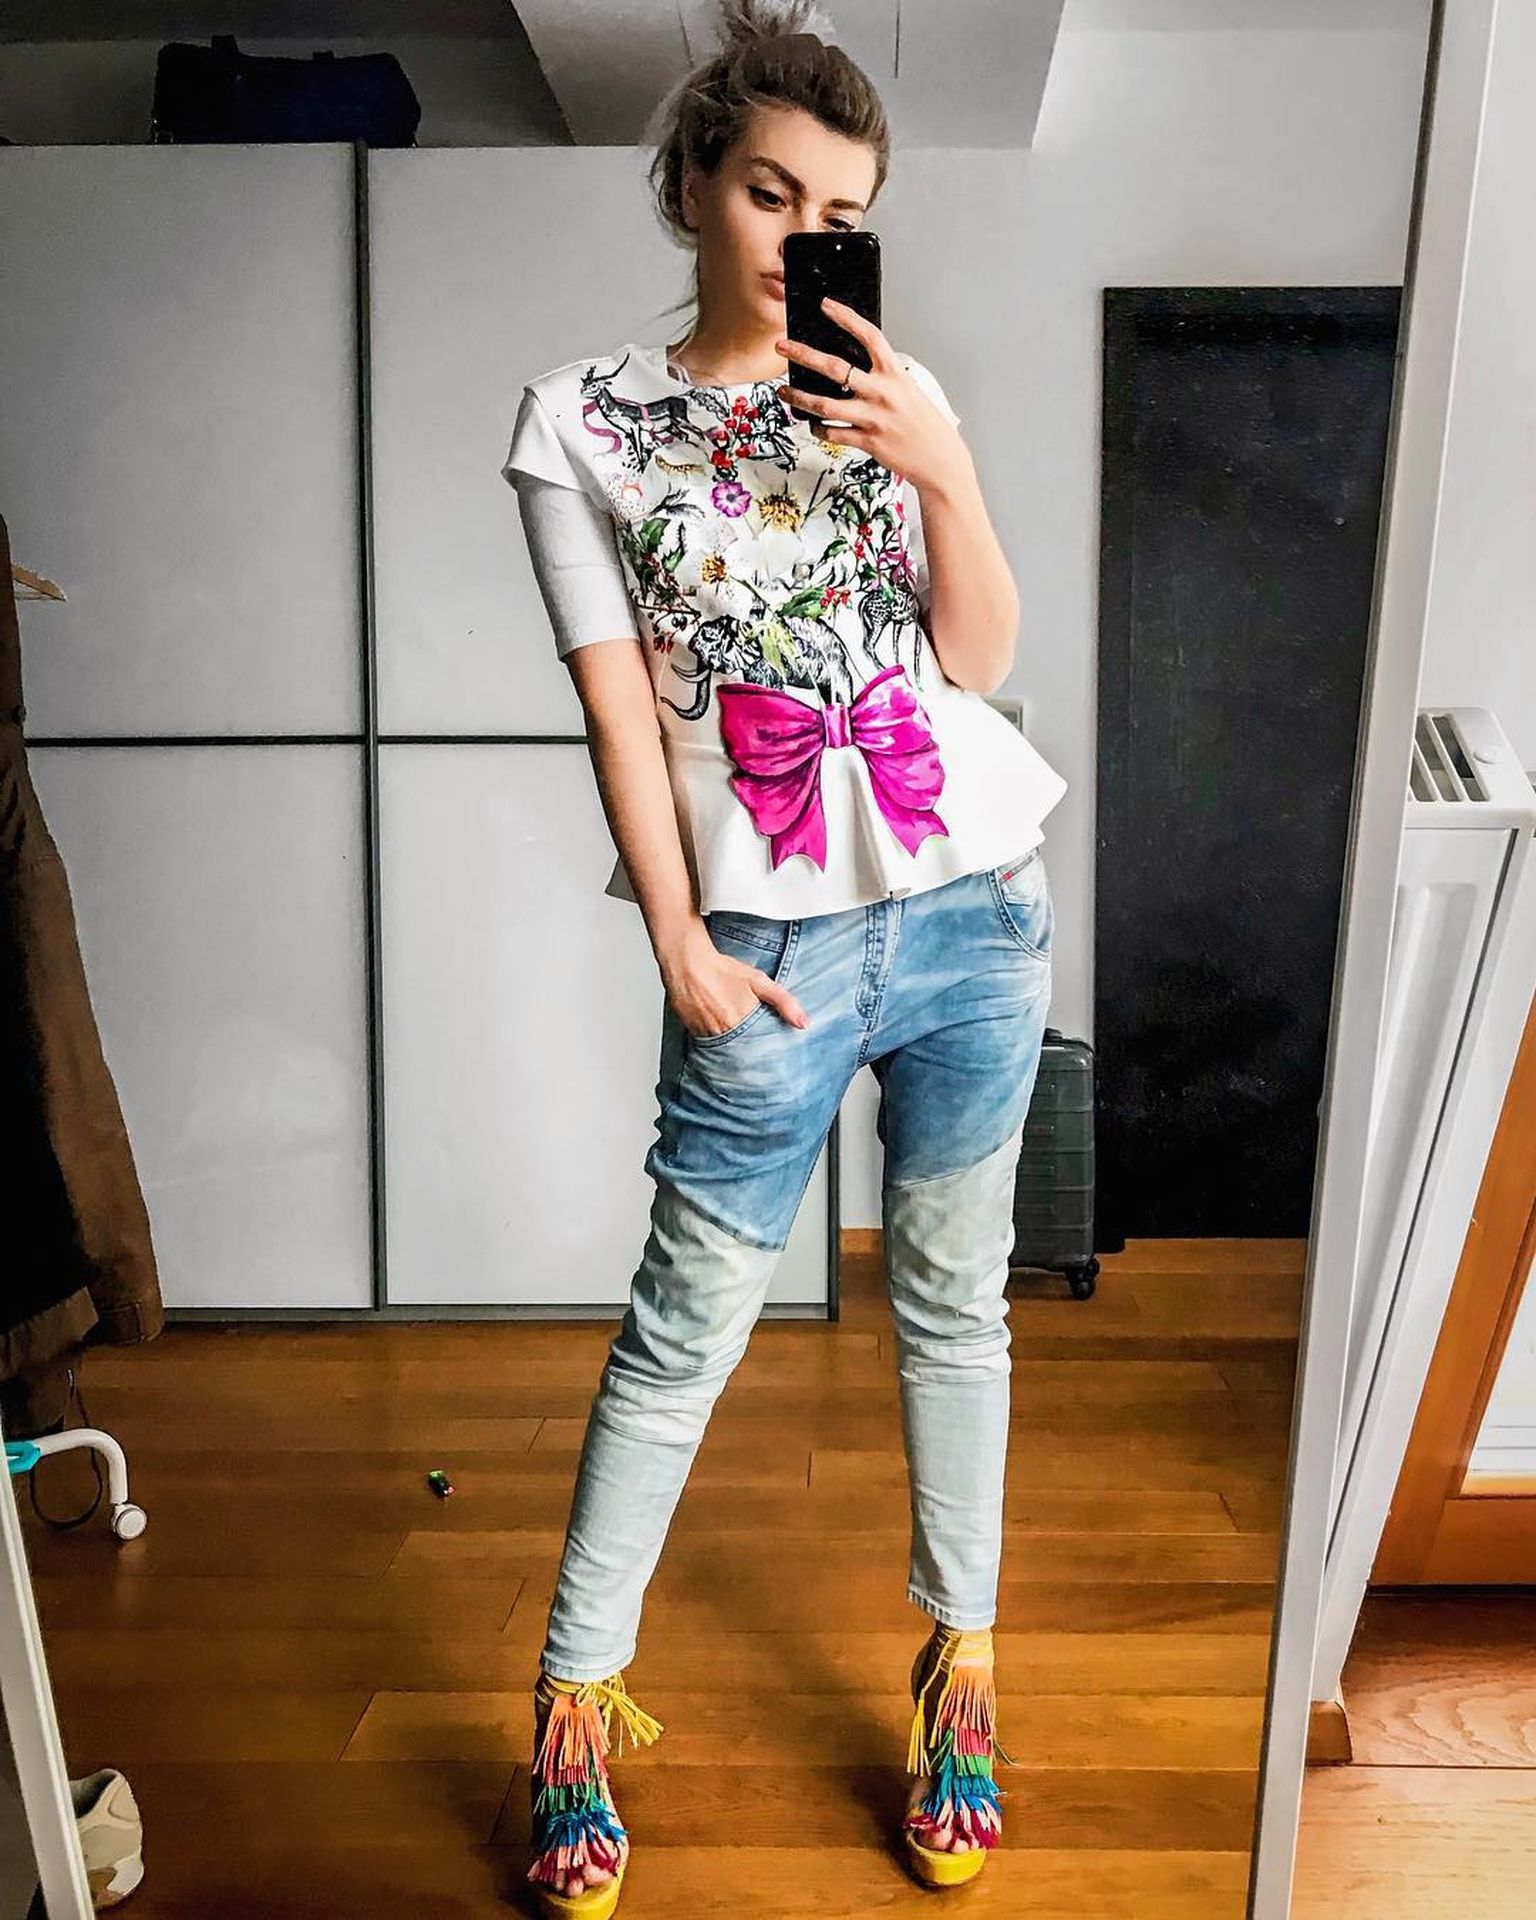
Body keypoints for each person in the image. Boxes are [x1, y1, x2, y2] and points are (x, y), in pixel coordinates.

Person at [500, 3, 1067, 1911]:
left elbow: (976, 660)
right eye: (769, 192)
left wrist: (942, 466)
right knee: (685, 1330)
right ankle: (572, 1715)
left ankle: (961, 1684)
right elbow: (614, 708)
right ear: (690, 185)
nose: (799, 237)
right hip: (768, 944)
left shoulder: (892, 390)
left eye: (840, 213)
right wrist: (676, 934)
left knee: (954, 1309)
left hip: (977, 910)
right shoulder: (579, 423)